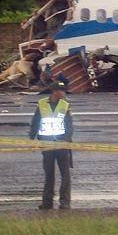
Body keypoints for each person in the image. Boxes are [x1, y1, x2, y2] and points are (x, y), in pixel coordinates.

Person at [29, 80, 73, 210]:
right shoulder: (42, 104)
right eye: (61, 91)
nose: (63, 93)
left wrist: (67, 140)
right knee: (49, 174)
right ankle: (47, 202)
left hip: (61, 145)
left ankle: (65, 202)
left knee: (65, 175)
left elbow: (69, 125)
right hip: (47, 145)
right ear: (54, 92)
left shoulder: (65, 105)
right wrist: (31, 139)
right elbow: (35, 122)